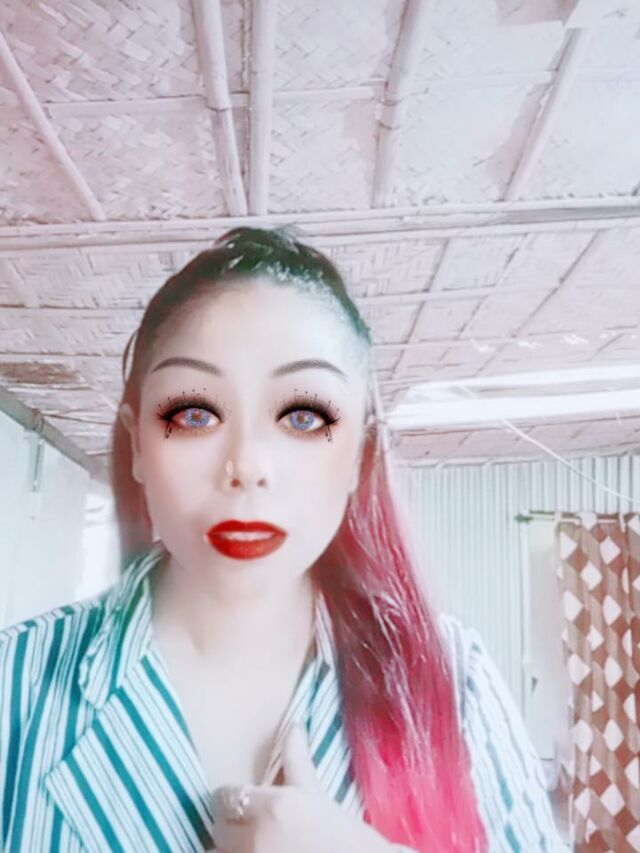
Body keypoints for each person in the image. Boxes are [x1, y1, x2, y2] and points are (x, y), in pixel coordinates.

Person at [0, 227, 570, 853]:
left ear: (361, 454)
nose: (247, 465)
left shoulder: (454, 684)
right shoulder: (12, 683)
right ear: (136, 443)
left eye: (302, 416)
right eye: (194, 414)